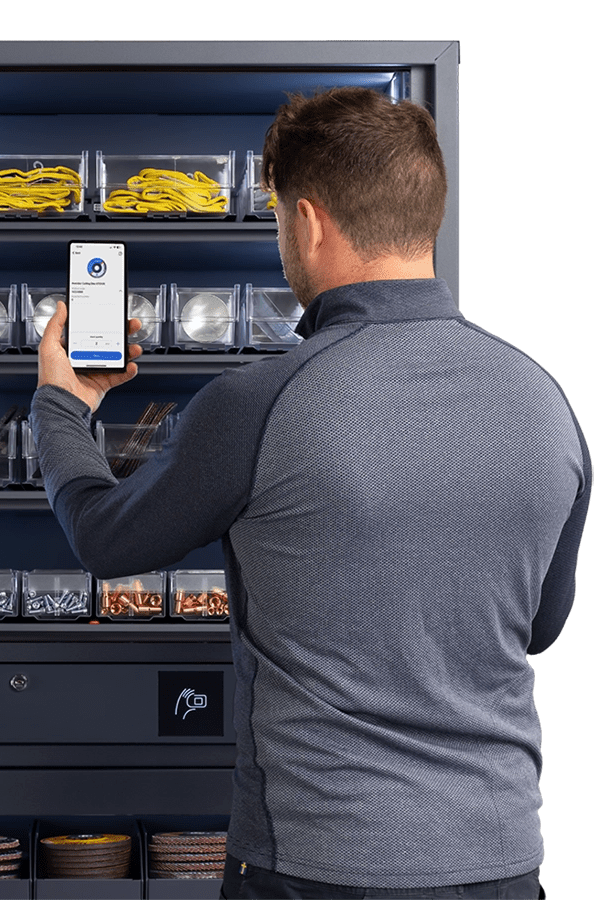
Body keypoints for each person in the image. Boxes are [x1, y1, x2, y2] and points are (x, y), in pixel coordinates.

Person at [29, 87, 590, 899]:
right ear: (424, 214)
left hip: (317, 865)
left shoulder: (258, 402)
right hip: (501, 861)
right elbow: (538, 627)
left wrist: (64, 404)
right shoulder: (544, 399)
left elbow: (103, 539)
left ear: (309, 221)